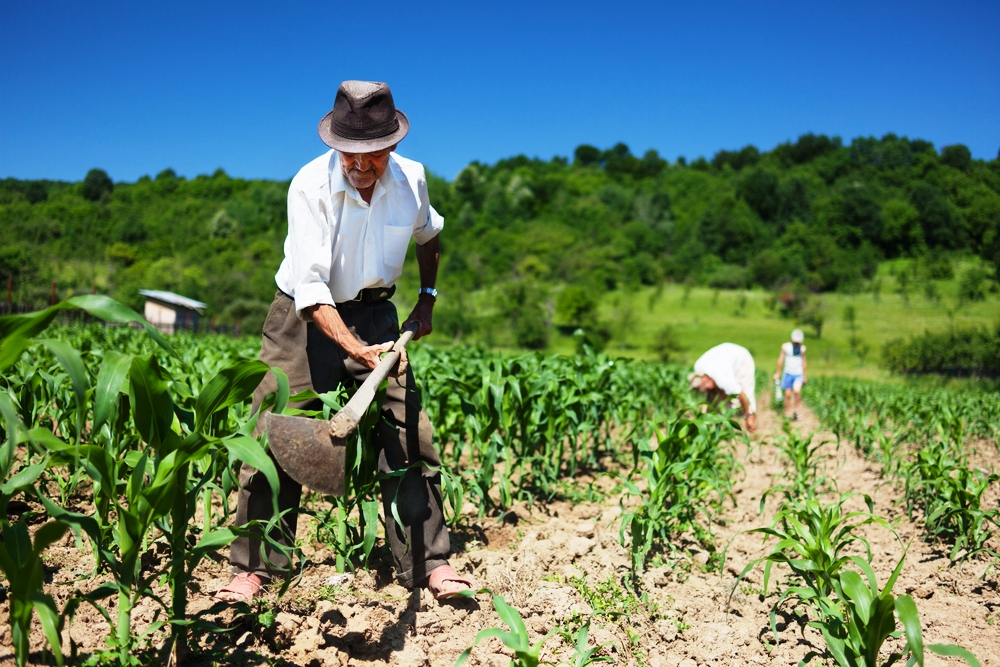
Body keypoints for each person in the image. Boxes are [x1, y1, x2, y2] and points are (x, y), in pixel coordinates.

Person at [215, 81, 473, 603]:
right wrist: (353, 349)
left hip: (377, 315)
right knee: (273, 429)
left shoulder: (413, 180)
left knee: (408, 429)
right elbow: (311, 290)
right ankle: (254, 567)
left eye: (371, 154)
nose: (358, 165)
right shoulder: (309, 186)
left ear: (391, 144)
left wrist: (426, 298)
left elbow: (429, 234)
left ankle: (428, 561)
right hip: (301, 317)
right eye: (348, 153)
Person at [688, 342, 757, 433]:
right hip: (726, 355)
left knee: (742, 395)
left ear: (706, 380)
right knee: (717, 399)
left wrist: (747, 415)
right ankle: (714, 425)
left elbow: (742, 393)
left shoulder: (722, 379)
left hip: (742, 359)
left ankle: (750, 418)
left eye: (704, 386)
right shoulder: (698, 367)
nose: (704, 390)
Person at [774, 329, 807, 420]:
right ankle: (787, 412)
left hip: (798, 373)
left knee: (797, 391)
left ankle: (796, 411)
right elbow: (780, 360)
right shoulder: (785, 347)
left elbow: (804, 362)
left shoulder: (802, 349)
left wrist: (804, 375)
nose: (796, 343)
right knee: (788, 394)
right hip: (788, 373)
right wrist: (778, 373)